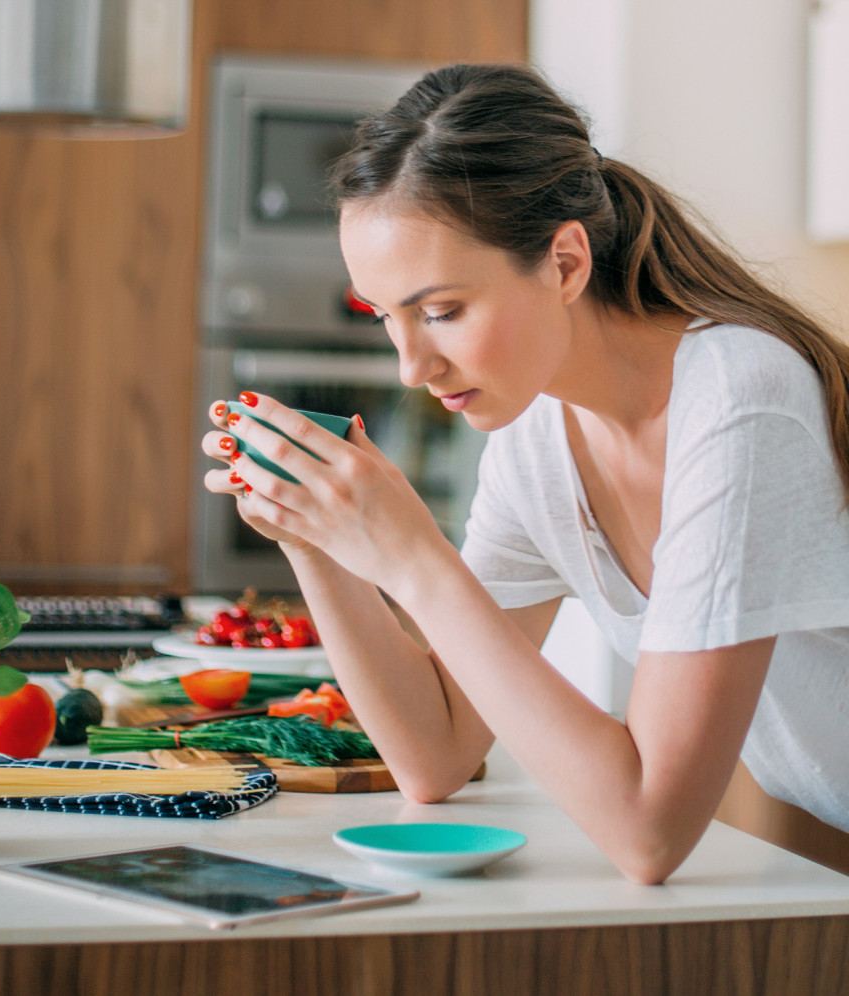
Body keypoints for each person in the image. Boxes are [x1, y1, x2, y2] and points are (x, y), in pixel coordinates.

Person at [201, 62, 849, 884]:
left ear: (567, 262)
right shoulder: (538, 436)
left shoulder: (739, 400)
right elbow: (434, 752)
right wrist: (313, 533)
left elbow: (648, 830)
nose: (411, 367)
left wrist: (412, 556)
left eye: (441, 312)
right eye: (387, 317)